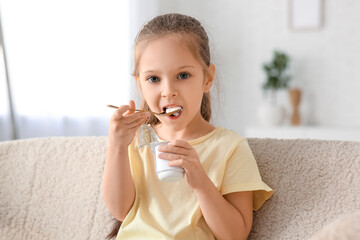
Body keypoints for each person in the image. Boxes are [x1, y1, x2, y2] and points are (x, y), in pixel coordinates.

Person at [102, 13, 273, 240]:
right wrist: (116, 146)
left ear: (207, 79)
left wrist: (201, 182)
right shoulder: (135, 140)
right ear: (139, 84)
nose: (167, 90)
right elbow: (120, 211)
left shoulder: (230, 148)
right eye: (153, 79)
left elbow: (235, 235)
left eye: (183, 75)